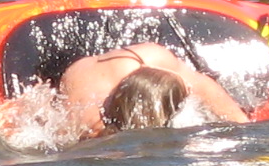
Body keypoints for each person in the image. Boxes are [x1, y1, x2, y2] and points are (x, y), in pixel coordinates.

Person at [56, 42, 249, 138]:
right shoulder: (89, 125)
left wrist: (243, 124)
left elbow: (204, 87)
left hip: (95, 67)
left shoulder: (151, 58)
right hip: (77, 72)